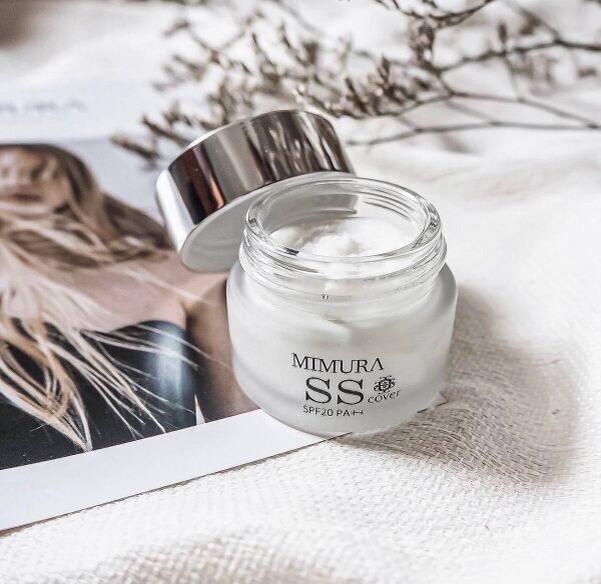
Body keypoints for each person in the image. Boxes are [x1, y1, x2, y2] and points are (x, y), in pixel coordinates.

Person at [0, 144, 255, 469]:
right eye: (2, 174)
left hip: (167, 487)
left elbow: (247, 433)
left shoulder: (180, 271)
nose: (18, 182)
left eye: (38, 172)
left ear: (74, 184)